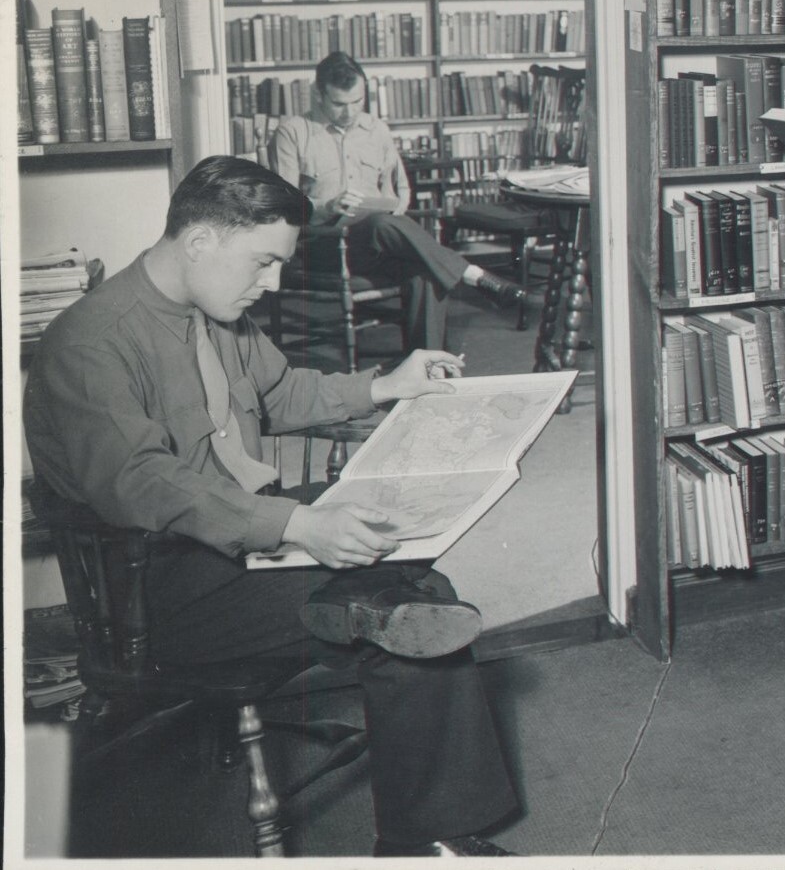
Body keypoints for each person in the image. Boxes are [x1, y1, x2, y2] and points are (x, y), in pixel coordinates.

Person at [23, 156, 519, 856]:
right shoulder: (90, 341)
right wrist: (298, 524)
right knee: (413, 592)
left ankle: (366, 611)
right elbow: (143, 483)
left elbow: (282, 396)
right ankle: (425, 836)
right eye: (262, 263)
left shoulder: (221, 313)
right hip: (157, 588)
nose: (274, 283)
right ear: (199, 241)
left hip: (247, 547)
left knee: (395, 537)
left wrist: (385, 385)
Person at [270, 51, 528, 350]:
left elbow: (401, 192)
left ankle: (428, 368)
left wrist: (389, 203)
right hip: (322, 246)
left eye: (357, 102)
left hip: (379, 244)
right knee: (384, 226)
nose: (350, 113)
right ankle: (471, 274)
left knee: (425, 271)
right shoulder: (292, 132)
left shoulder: (377, 129)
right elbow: (285, 207)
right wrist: (328, 207)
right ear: (318, 95)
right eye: (339, 104)